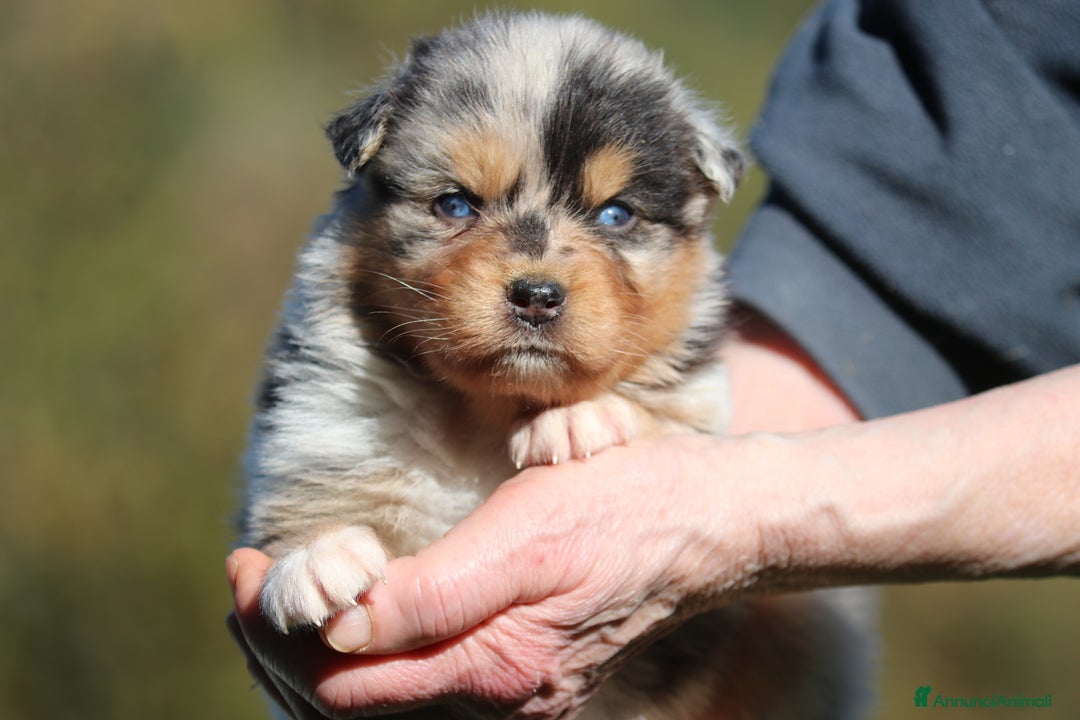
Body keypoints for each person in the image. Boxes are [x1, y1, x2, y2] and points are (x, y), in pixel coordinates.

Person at [226, 1, 1080, 717]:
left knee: (808, 625)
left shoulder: (672, 410)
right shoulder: (345, 399)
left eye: (612, 217)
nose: (536, 275)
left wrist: (678, 467)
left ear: (697, 218)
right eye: (456, 203)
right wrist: (322, 556)